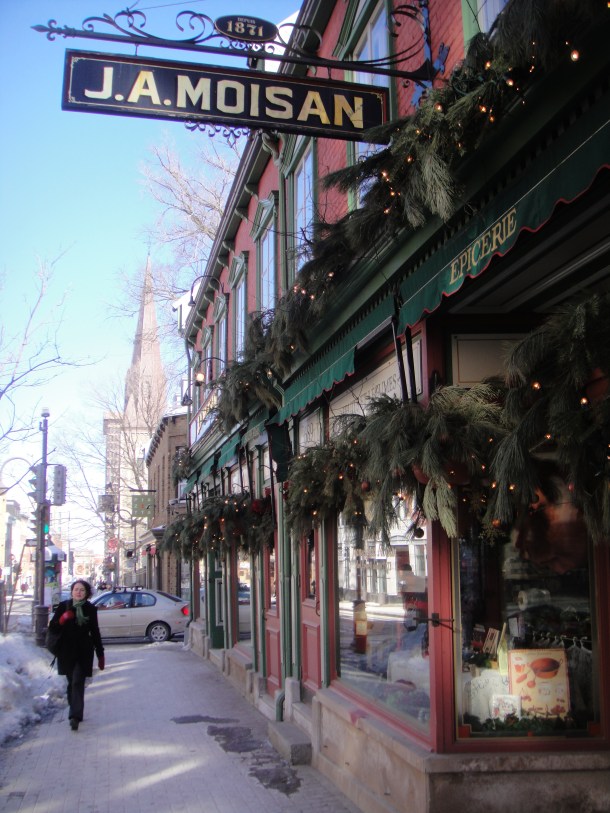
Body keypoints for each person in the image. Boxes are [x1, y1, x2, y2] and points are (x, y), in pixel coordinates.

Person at [48, 579, 105, 731]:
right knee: (71, 682)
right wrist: (61, 619)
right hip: (66, 652)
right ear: (72, 591)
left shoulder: (90, 609)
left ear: (86, 593)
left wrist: (100, 654)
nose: (78, 592)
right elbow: (52, 628)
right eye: (76, 589)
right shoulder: (63, 606)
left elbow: (95, 632)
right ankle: (74, 707)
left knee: (77, 682)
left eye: (82, 590)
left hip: (83, 652)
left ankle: (75, 716)